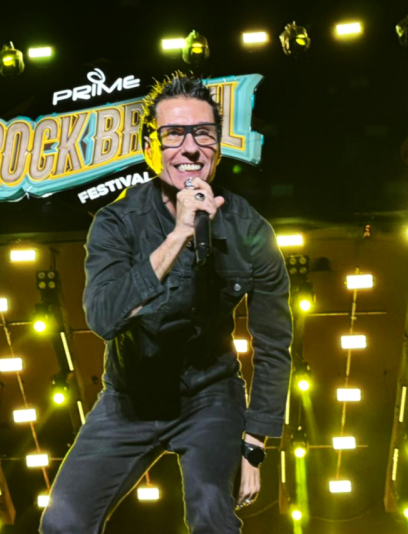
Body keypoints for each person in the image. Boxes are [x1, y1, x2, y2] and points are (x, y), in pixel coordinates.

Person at [40, 72, 292, 534]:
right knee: (63, 520)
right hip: (131, 396)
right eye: (174, 134)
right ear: (150, 149)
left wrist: (255, 442)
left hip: (210, 395)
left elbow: (274, 344)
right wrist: (178, 235)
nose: (190, 148)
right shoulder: (116, 222)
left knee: (213, 512)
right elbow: (103, 317)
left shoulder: (251, 230)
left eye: (204, 134)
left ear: (219, 148)